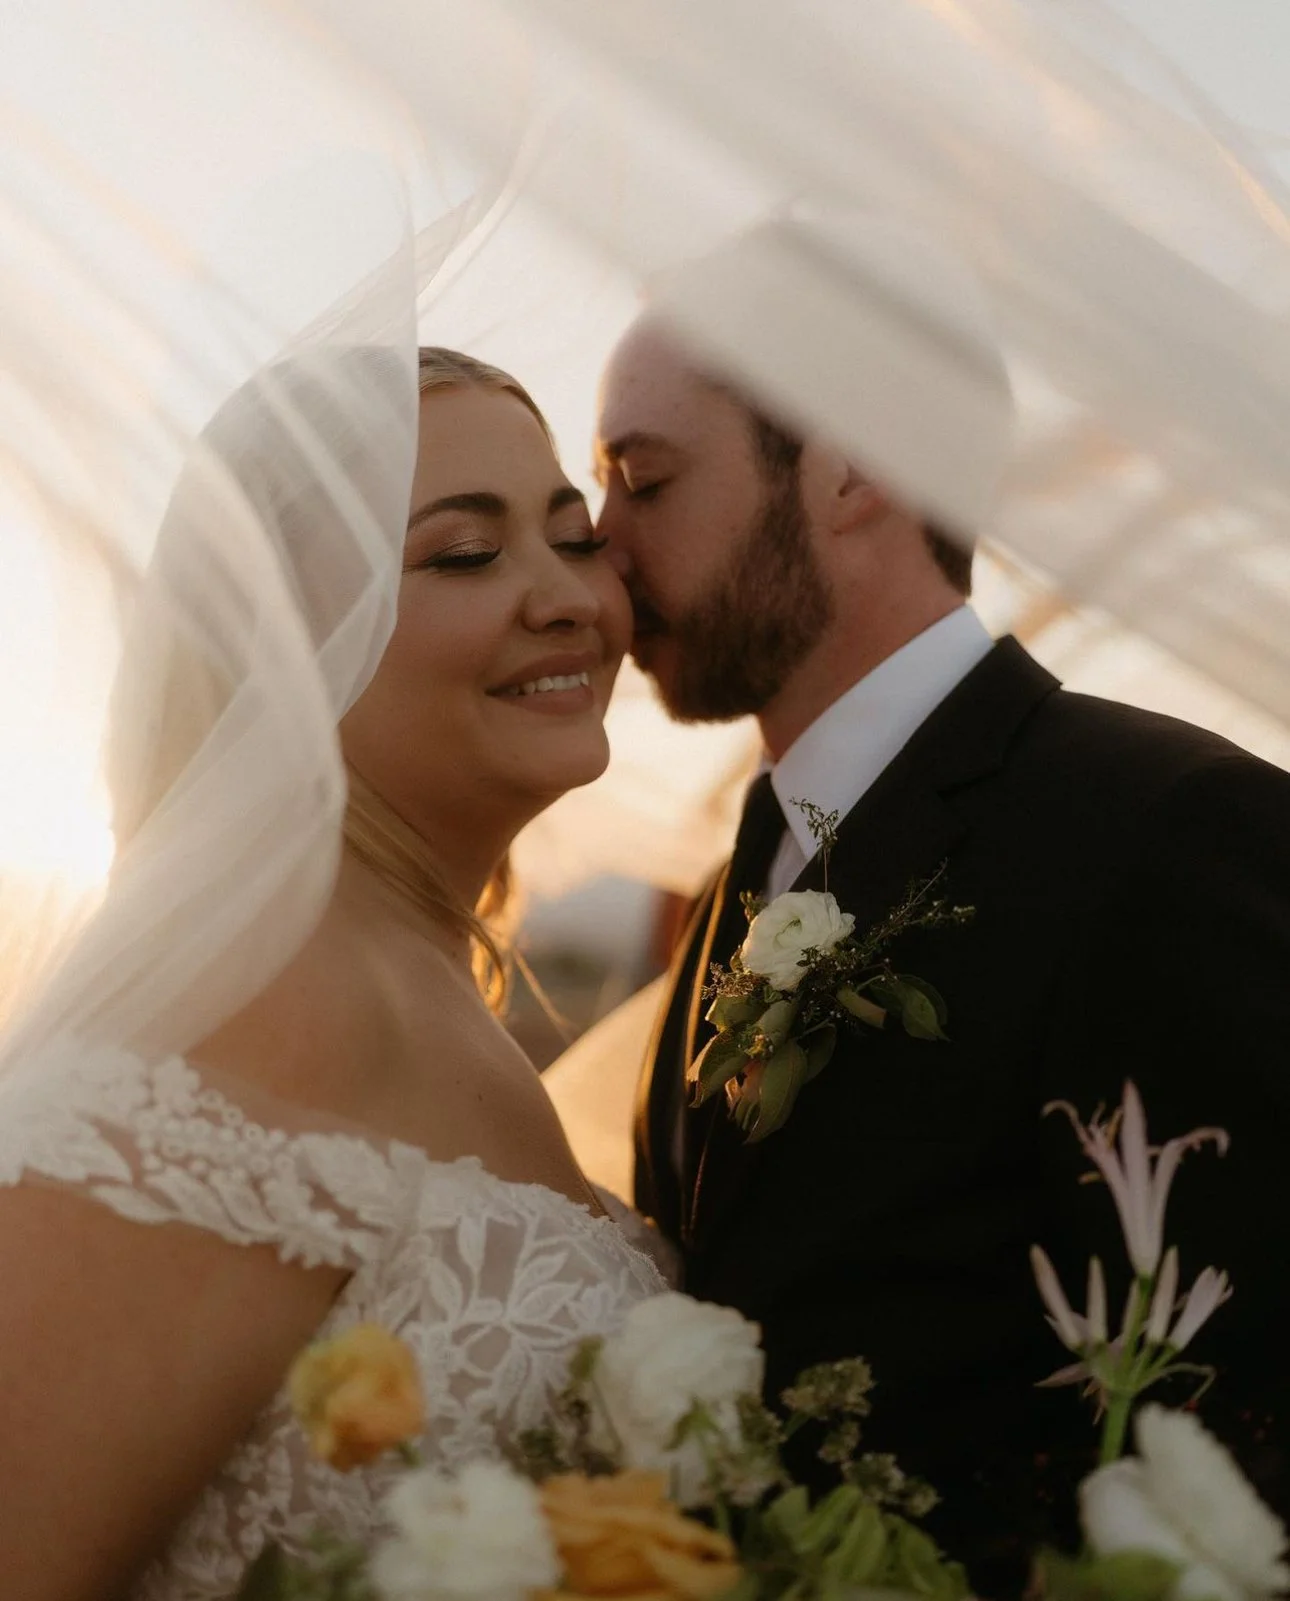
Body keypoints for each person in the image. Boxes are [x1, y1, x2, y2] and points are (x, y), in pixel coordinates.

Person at [598, 286, 1290, 1590]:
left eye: (643, 478)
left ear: (851, 468)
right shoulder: (728, 891)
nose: (600, 540)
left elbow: (1251, 1405)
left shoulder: (1171, 827)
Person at [0, 347, 664, 1601]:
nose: (568, 596)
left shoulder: (421, 983)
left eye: (574, 537)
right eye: (466, 553)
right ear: (287, 645)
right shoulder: (258, 995)